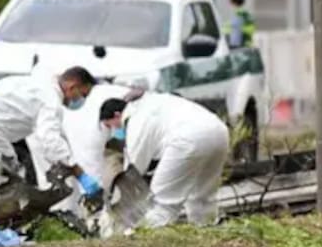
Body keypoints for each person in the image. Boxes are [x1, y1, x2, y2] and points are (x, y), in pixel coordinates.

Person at [0, 73, 100, 206]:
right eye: (83, 94)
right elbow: (50, 141)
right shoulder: (51, 100)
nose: (81, 100)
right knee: (5, 193)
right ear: (72, 86)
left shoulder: (33, 84)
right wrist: (79, 173)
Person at [98, 93, 229, 228]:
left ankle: (150, 243)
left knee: (161, 205)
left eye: (111, 125)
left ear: (117, 115)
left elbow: (134, 172)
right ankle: (207, 235)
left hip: (187, 140)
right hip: (219, 132)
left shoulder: (135, 122)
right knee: (203, 199)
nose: (114, 131)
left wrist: (113, 207)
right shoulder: (150, 104)